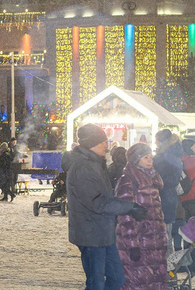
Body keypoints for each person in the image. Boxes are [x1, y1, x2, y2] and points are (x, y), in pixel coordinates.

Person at [67, 124, 142, 290]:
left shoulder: (94, 164)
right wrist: (129, 207)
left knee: (116, 279)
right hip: (91, 234)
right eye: (103, 142)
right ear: (92, 144)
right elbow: (97, 202)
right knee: (96, 284)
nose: (107, 146)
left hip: (103, 232)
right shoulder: (83, 167)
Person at [113, 141, 168, 290]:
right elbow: (125, 216)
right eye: (145, 157)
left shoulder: (153, 180)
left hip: (155, 242)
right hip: (138, 242)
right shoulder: (128, 180)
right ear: (136, 159)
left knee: (156, 281)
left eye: (151, 157)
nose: (150, 161)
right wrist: (132, 245)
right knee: (137, 282)